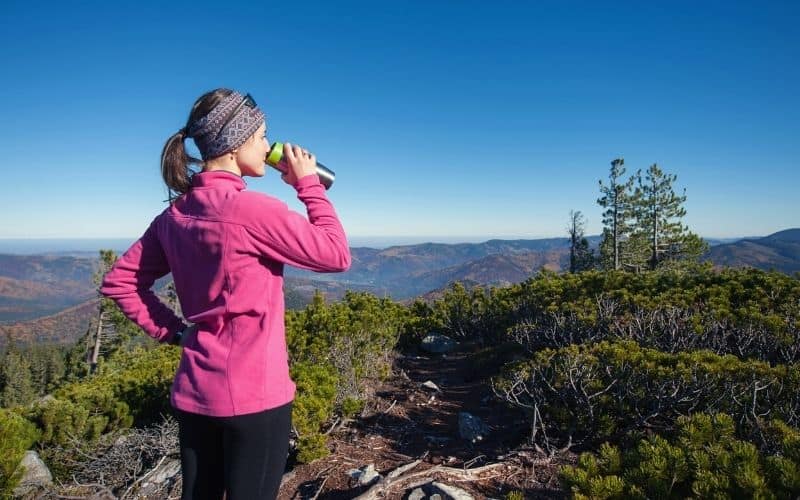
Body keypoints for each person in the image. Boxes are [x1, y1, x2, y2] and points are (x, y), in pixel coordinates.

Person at [100, 88, 351, 499]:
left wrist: (178, 333)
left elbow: (120, 282)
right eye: (263, 137)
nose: (270, 148)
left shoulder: (175, 216)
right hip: (257, 397)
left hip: (196, 392)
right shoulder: (253, 211)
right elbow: (336, 254)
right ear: (236, 145)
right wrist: (309, 186)